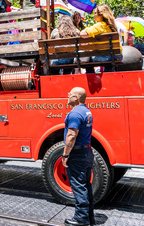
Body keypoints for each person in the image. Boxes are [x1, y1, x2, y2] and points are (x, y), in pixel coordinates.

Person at [62, 87, 94, 226]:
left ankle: (81, 218)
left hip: (77, 154)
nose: (67, 95)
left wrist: (65, 155)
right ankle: (89, 216)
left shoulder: (74, 113)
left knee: (78, 186)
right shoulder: (87, 112)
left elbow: (72, 135)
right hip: (87, 152)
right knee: (86, 185)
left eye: (70, 94)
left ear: (76, 98)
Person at [80, 4, 120, 73]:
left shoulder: (100, 26)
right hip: (115, 56)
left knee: (87, 59)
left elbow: (82, 34)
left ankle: (92, 77)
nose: (94, 15)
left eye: (95, 13)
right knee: (108, 61)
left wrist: (86, 29)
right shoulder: (112, 26)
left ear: (101, 15)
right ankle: (108, 75)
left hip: (103, 57)